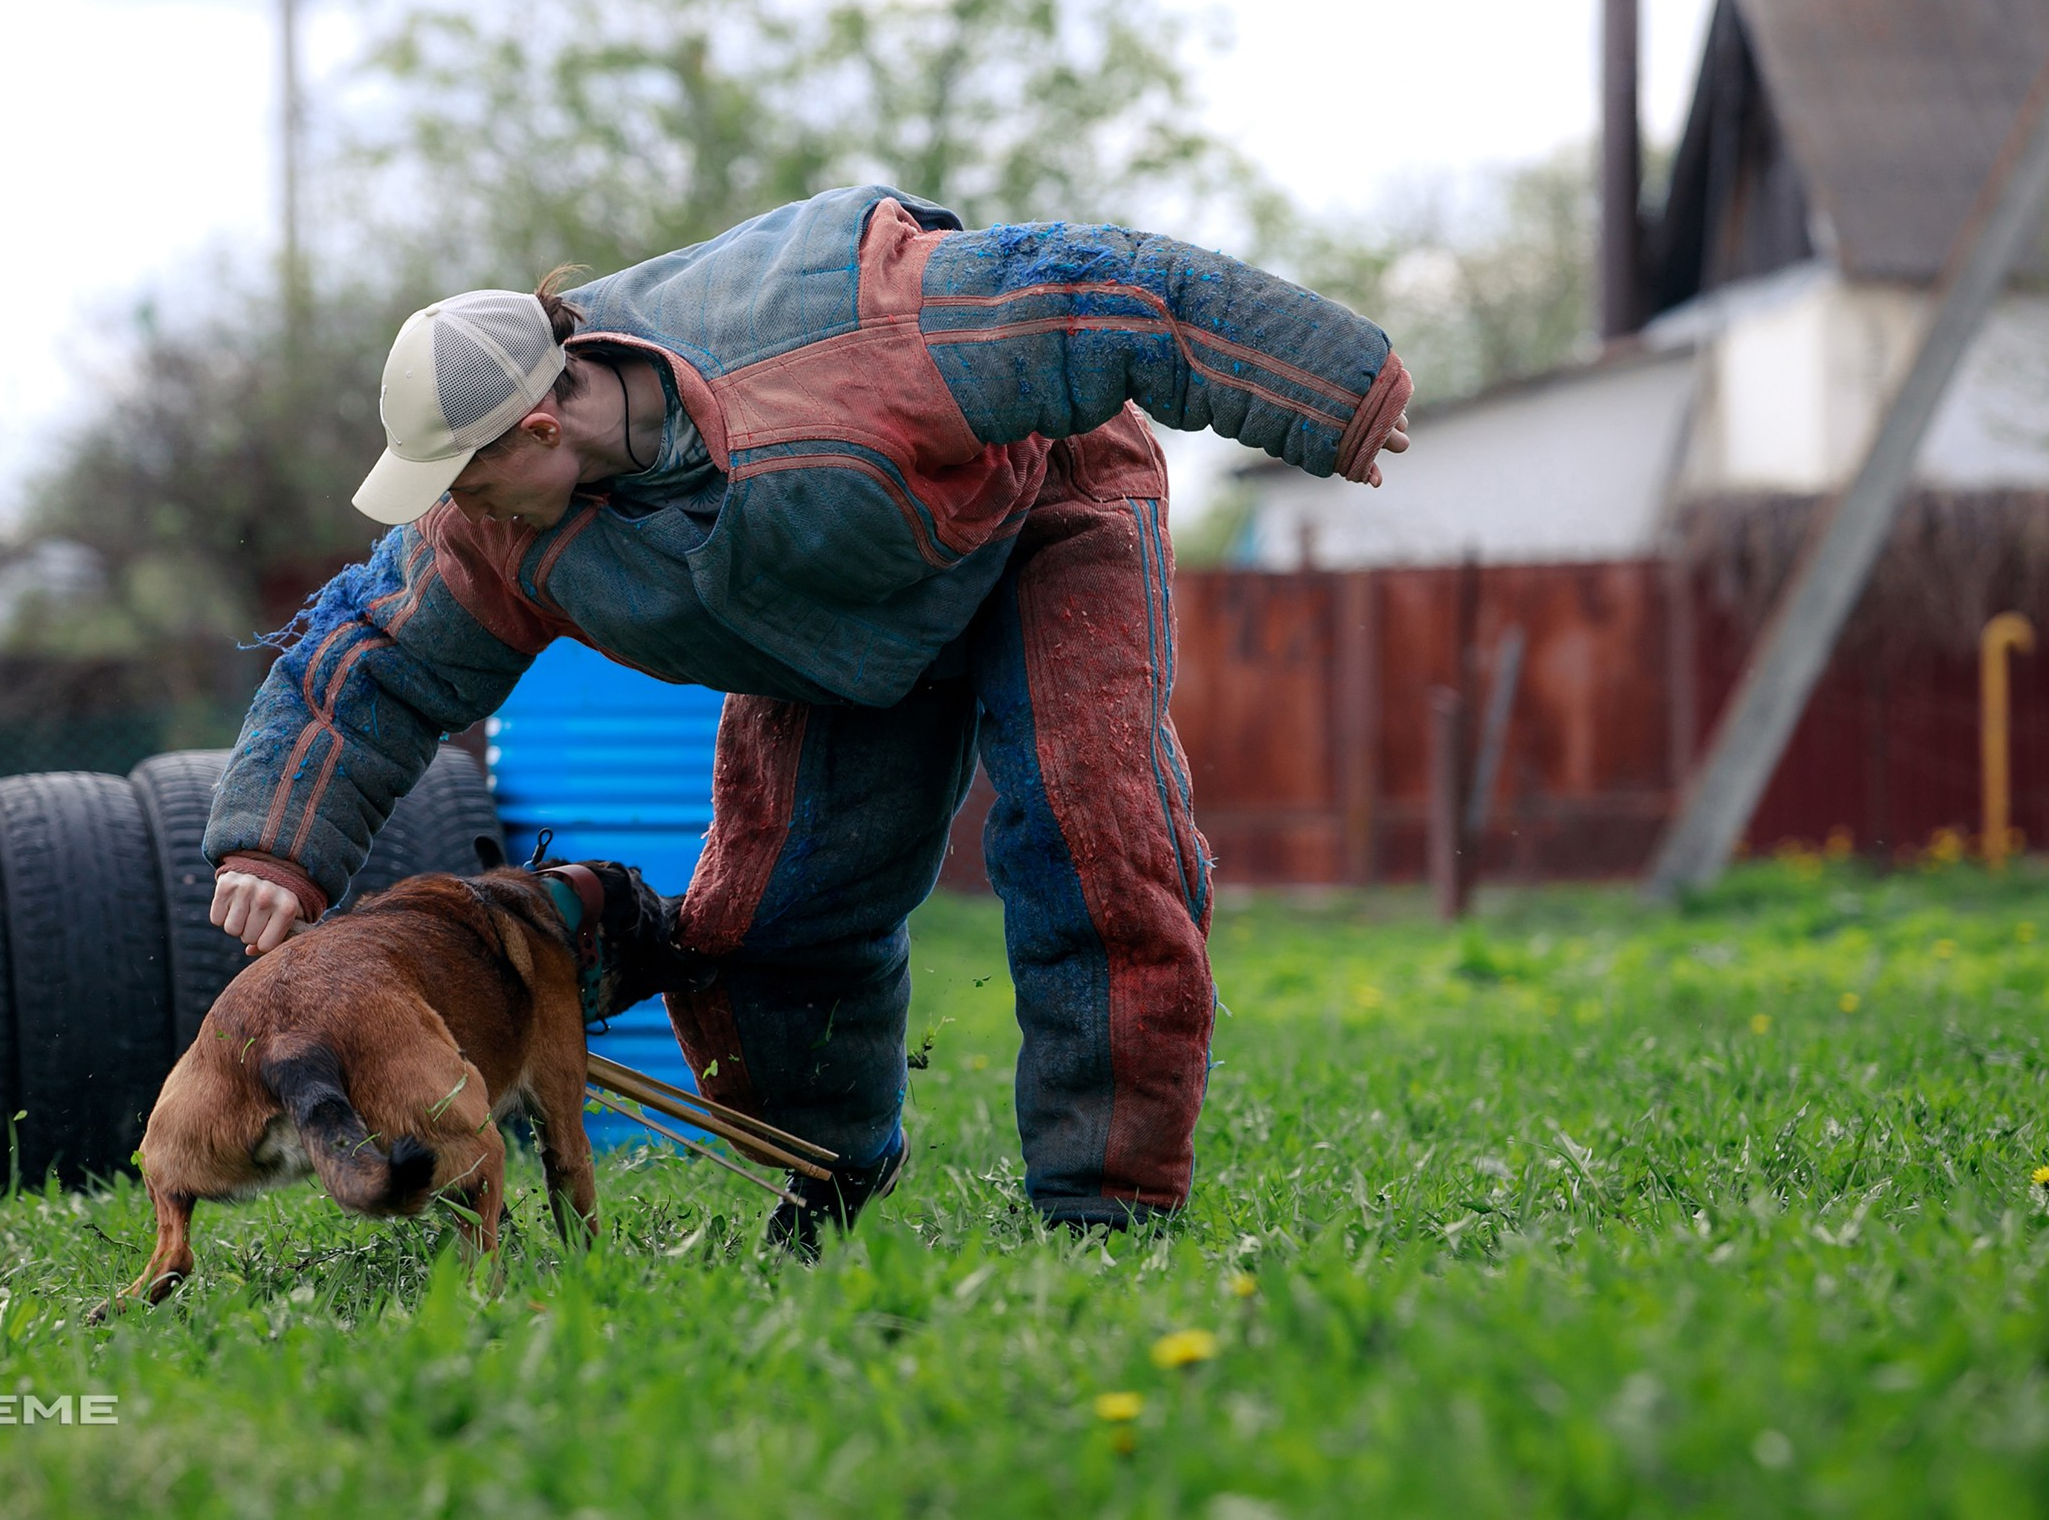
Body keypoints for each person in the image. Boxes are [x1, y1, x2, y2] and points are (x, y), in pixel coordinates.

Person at [203, 185, 1411, 1245]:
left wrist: (1330, 389)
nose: (460, 509)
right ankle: (833, 1171)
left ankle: (1107, 1204)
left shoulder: (858, 330)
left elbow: (1101, 296)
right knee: (772, 918)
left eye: (468, 478)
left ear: (539, 427)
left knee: (1090, 827)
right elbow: (376, 649)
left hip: (1043, 517)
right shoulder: (498, 527)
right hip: (831, 630)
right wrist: (275, 842)